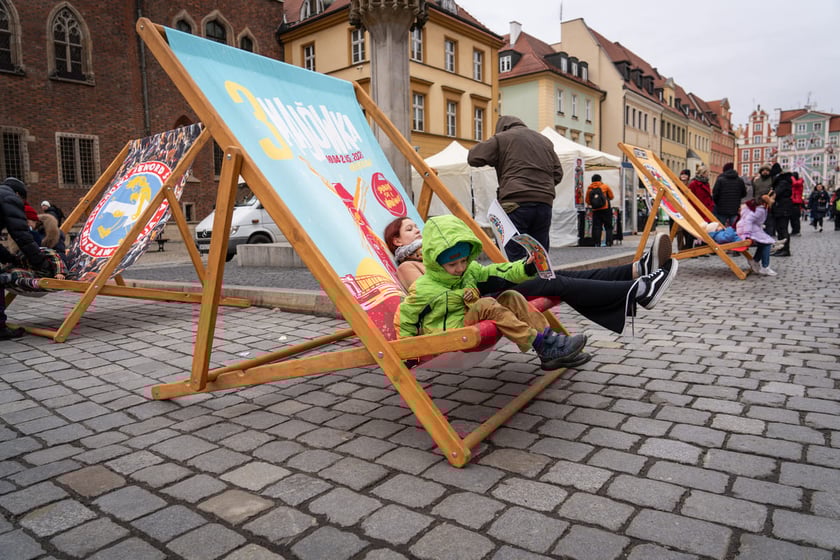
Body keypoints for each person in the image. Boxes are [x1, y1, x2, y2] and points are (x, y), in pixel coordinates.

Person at [385, 216, 678, 335]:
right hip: (480, 303)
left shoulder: (450, 255)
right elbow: (428, 297)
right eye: (410, 229)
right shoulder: (408, 266)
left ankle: (634, 272)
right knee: (556, 283)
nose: (418, 231)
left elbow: (476, 271)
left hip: (485, 284)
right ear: (397, 242)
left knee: (553, 275)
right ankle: (637, 289)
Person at [397, 215, 592, 371]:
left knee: (511, 296)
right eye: (453, 264)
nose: (460, 268)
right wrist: (408, 351)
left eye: (464, 260)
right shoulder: (424, 286)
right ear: (436, 262)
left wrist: (525, 268)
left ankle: (549, 344)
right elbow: (406, 315)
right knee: (485, 304)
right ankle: (541, 344)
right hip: (447, 333)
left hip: (466, 319)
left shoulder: (468, 269)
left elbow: (496, 271)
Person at [467, 115, 563, 261]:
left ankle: (514, 283)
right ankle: (541, 282)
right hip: (544, 203)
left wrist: (497, 154)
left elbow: (474, 157)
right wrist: (540, 186)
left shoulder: (503, 138)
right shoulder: (545, 141)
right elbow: (558, 173)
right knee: (539, 256)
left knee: (511, 255)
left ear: (502, 128)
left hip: (515, 201)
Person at [0, 177, 50, 340]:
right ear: (18, 194)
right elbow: (22, 236)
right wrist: (40, 262)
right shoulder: (10, 198)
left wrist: (9, 258)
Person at [736, 193, 777, 276]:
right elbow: (749, 220)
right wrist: (747, 234)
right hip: (747, 229)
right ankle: (765, 266)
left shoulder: (758, 207)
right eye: (772, 199)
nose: (773, 201)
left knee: (764, 243)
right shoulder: (760, 209)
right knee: (766, 243)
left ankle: (755, 260)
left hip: (746, 228)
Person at [769, 163, 793, 257]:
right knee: (780, 229)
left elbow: (776, 193)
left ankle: (785, 249)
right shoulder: (782, 181)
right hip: (781, 207)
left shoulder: (782, 182)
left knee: (783, 229)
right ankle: (781, 248)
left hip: (783, 207)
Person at [585, 174, 615, 247]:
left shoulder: (589, 189)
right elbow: (611, 196)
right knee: (608, 226)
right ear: (600, 179)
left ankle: (597, 242)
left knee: (597, 226)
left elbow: (587, 201)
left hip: (595, 209)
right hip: (606, 209)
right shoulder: (605, 186)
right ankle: (609, 242)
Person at [712, 162, 746, 227]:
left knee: (721, 228)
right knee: (734, 228)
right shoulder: (739, 180)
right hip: (734, 209)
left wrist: (718, 203)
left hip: (721, 209)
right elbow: (744, 194)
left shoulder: (720, 180)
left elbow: (715, 194)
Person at [752, 163, 775, 235]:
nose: (765, 172)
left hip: (768, 204)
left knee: (769, 222)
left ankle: (768, 236)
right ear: (761, 171)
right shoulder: (756, 180)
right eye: (763, 170)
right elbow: (753, 191)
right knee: (758, 222)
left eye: (767, 170)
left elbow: (774, 191)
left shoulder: (772, 179)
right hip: (758, 203)